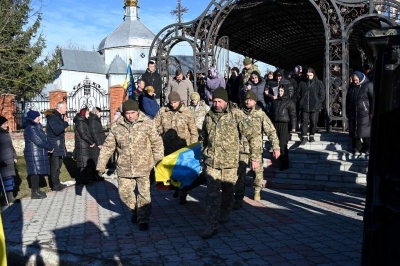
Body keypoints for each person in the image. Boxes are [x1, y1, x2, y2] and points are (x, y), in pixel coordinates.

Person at [201, 87, 265, 239]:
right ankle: (211, 225)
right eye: (214, 101)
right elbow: (203, 138)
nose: (216, 104)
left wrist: (255, 157)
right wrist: (204, 158)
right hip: (212, 163)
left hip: (230, 164)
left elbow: (254, 135)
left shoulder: (236, 114)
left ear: (226, 101)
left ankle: (225, 212)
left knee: (229, 193)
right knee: (212, 196)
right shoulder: (208, 116)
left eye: (219, 101)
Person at [96, 100, 164, 231]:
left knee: (145, 195)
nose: (130, 116)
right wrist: (101, 165)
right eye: (128, 113)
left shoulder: (148, 124)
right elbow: (108, 147)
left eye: (133, 113)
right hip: (124, 167)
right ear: (124, 113)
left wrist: (159, 163)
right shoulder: (117, 126)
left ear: (138, 112)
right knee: (124, 194)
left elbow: (157, 144)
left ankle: (143, 219)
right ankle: (136, 211)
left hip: (145, 167)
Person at [233, 91, 280, 210]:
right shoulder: (238, 113)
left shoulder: (260, 114)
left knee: (258, 172)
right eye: (246, 99)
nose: (247, 101)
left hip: (256, 149)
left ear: (254, 101)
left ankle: (257, 190)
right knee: (240, 174)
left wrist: (276, 147)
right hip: (242, 149)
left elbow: (271, 131)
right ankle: (238, 198)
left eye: (250, 99)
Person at [154, 91, 198, 204]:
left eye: (175, 102)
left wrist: (192, 148)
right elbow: (153, 127)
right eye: (171, 102)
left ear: (179, 101)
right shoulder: (163, 111)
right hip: (168, 149)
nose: (173, 104)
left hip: (183, 149)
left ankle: (183, 194)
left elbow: (193, 132)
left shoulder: (187, 112)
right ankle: (177, 188)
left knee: (183, 173)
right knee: (172, 173)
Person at [23, 110, 54, 199]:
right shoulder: (30, 128)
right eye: (37, 117)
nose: (39, 118)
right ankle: (34, 192)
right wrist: (49, 147)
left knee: (36, 172)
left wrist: (48, 147)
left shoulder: (36, 127)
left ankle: (37, 190)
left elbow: (43, 138)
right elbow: (39, 140)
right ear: (32, 118)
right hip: (33, 153)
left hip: (37, 152)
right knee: (34, 172)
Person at [265, 85, 297, 171]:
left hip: (284, 124)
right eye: (279, 91)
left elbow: (293, 115)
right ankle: (280, 160)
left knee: (282, 144)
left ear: (285, 92)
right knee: (276, 142)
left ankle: (284, 162)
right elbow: (271, 113)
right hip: (275, 124)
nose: (280, 92)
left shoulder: (289, 102)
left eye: (282, 91)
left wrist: (293, 126)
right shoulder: (275, 101)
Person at [346, 71, 373, 156]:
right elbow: (348, 100)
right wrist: (347, 111)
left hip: (364, 113)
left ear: (360, 78)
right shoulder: (352, 87)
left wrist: (371, 112)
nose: (355, 82)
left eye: (356, 80)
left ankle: (367, 148)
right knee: (354, 131)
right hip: (353, 113)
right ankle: (356, 148)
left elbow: (373, 99)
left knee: (365, 131)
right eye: (353, 80)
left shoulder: (368, 85)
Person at [297, 68, 325, 145]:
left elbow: (322, 95)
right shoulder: (302, 83)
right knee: (304, 122)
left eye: (310, 75)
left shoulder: (319, 83)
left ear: (313, 74)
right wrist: (301, 101)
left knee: (314, 121)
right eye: (307, 75)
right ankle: (304, 137)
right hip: (304, 106)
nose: (309, 76)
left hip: (314, 106)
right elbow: (298, 93)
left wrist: (318, 102)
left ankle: (312, 135)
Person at [45, 101, 69, 191]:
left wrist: (64, 124)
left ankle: (57, 182)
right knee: (55, 166)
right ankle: (55, 185)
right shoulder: (52, 117)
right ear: (60, 108)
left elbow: (61, 129)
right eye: (65, 107)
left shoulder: (58, 116)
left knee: (58, 164)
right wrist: (66, 123)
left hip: (59, 144)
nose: (66, 109)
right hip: (54, 145)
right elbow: (57, 130)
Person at [74, 108, 96, 185]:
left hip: (85, 146)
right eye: (87, 113)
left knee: (85, 164)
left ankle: (85, 180)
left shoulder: (83, 121)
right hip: (82, 146)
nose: (88, 115)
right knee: (83, 164)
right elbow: (83, 134)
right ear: (83, 113)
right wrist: (91, 142)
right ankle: (82, 181)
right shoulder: (80, 122)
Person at [0, 116, 18, 204]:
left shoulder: (6, 133)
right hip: (3, 160)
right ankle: (4, 198)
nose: (7, 125)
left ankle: (10, 197)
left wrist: (15, 156)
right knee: (4, 180)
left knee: (10, 179)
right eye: (5, 123)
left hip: (9, 159)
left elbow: (11, 146)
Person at [88, 107, 106, 181]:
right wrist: (98, 143)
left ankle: (98, 175)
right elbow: (94, 133)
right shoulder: (93, 120)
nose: (100, 114)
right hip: (97, 143)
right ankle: (95, 175)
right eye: (99, 112)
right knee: (96, 159)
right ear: (96, 112)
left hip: (100, 142)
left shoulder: (96, 120)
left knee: (98, 159)